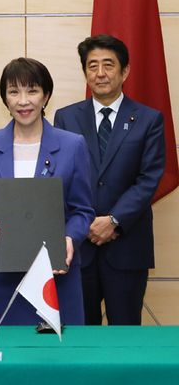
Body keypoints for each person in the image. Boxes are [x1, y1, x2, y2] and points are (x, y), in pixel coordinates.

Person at [0, 57, 94, 326]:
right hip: (4, 273)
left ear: (46, 96)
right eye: (14, 92)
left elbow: (82, 210)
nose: (23, 101)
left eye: (32, 91)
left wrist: (71, 238)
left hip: (58, 274)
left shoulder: (72, 145)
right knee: (10, 356)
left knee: (60, 357)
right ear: (5, 99)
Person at [54, 34, 165, 325]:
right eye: (92, 66)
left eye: (108, 65)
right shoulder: (66, 118)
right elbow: (61, 177)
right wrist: (85, 223)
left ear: (124, 71)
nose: (100, 73)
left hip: (127, 245)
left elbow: (149, 178)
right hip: (79, 245)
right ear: (85, 72)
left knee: (125, 336)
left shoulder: (149, 119)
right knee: (81, 334)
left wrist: (113, 220)